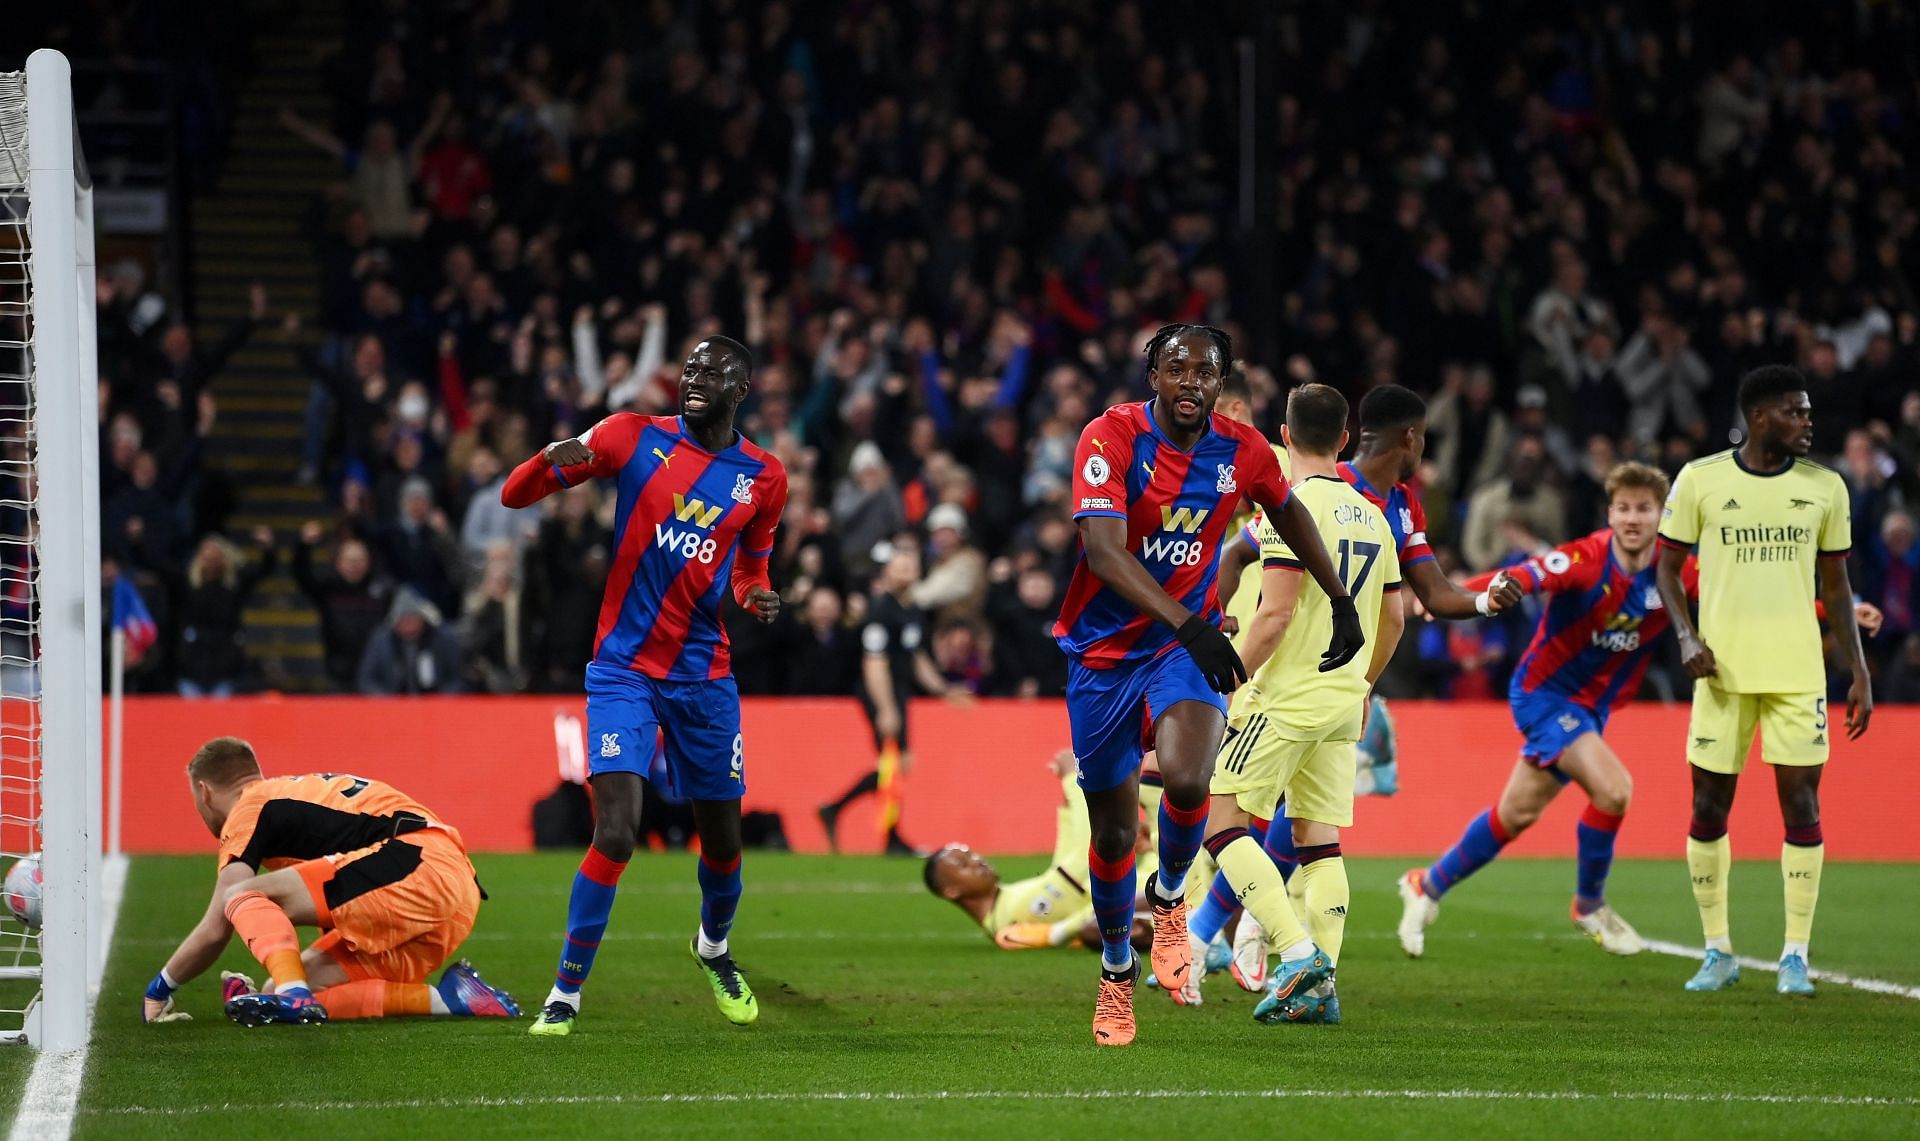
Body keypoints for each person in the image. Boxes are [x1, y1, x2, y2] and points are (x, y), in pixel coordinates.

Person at [1402, 463, 1884, 959]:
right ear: (1610, 513)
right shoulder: (1584, 560)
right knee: (1614, 791)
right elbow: (1522, 576)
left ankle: (1426, 885)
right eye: (1624, 508)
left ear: (1662, 515)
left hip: (1591, 709)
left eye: (1645, 509)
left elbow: (1746, 600)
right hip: (1545, 696)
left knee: (1516, 814)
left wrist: (1834, 609)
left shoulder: (1677, 573)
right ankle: (1589, 904)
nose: (1633, 519)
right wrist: (1449, 596)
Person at [1056, 324, 1364, 1047]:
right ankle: (1113, 968)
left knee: (1193, 780)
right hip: (1102, 654)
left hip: (1181, 649)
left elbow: (1288, 512)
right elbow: (1102, 554)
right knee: (1110, 829)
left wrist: (1341, 596)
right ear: (1153, 377)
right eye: (1177, 368)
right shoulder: (1109, 438)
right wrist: (1186, 621)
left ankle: (1168, 900)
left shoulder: (1244, 450)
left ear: (1219, 383)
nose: (1191, 381)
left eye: (1206, 371)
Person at [501, 335, 788, 1036]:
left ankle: (713, 947)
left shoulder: (764, 477)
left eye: (712, 370)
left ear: (741, 388)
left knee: (722, 842)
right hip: (624, 670)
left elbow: (752, 568)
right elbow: (515, 495)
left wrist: (754, 596)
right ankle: (565, 992)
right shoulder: (631, 436)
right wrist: (548, 461)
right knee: (618, 829)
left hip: (704, 677)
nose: (695, 377)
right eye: (688, 367)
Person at [1179, 384, 1406, 1022]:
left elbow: (1274, 614)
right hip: (1340, 700)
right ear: (1343, 440)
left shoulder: (1291, 506)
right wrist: (1364, 685)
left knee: (1221, 818)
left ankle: (1297, 952)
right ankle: (1322, 992)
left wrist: (1225, 683)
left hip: (1285, 696)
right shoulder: (1372, 511)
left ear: (1283, 435)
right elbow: (1394, 617)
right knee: (1318, 840)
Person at [1655, 365, 1872, 996]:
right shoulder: (1700, 480)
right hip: (1721, 674)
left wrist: (1856, 669)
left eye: (1807, 413)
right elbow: (1667, 572)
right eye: (1795, 412)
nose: (1808, 422)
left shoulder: (1826, 489)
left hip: (1799, 675)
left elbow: (1837, 586)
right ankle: (1717, 950)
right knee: (1707, 808)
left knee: (1801, 806)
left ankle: (1794, 956)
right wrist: (1687, 637)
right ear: (1759, 417)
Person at [141, 737, 518, 1027]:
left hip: (418, 861)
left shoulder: (249, 807)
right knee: (280, 989)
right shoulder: (287, 793)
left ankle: (294, 994)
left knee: (241, 895)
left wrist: (160, 989)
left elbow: (217, 924)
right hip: (454, 891)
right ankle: (449, 999)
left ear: (204, 791)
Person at [923, 750, 1154, 952]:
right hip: (1162, 883)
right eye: (964, 864)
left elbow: (1064, 865)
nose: (977, 861)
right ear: (952, 891)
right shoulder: (1014, 913)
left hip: (1154, 875)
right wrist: (1073, 780)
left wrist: (1067, 805)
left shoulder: (1006, 903)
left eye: (971, 855)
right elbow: (1084, 857)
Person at [818, 539, 958, 855]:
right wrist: (885, 708)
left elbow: (916, 655)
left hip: (899, 690)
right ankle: (884, 834)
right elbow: (874, 662)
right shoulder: (881, 610)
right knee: (893, 763)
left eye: (912, 565)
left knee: (896, 764)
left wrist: (942, 688)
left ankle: (842, 812)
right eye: (900, 565)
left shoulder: (913, 610)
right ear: (888, 572)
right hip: (881, 691)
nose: (907, 570)